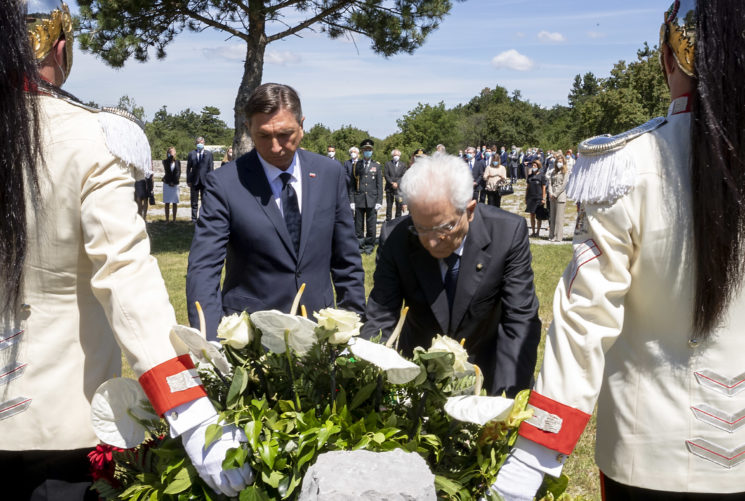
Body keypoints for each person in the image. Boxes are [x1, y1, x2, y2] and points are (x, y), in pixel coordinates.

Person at [492, 1, 745, 499]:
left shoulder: (625, 165)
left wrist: (539, 448)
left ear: (669, 58)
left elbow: (585, 316)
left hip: (651, 449)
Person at [0, 1, 252, 498]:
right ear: (61, 46)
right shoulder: (92, 136)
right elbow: (125, 279)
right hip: (56, 423)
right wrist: (189, 409)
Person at [186, 83, 366, 339]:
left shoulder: (329, 174)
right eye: (264, 136)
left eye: (285, 134)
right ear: (248, 129)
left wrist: (353, 331)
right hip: (253, 337)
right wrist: (211, 342)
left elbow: (347, 261)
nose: (275, 146)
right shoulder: (225, 184)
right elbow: (203, 269)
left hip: (320, 333)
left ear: (301, 125)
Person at [362, 154, 541, 397]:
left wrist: (504, 400)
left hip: (486, 373)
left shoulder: (507, 234)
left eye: (445, 228)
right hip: (418, 374)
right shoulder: (397, 237)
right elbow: (381, 316)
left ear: (469, 211)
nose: (433, 242)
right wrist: (370, 381)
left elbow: (519, 321)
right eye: (422, 229)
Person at [349, 138, 383, 254]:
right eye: (365, 150)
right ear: (362, 151)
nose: (368, 151)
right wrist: (352, 200)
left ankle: (369, 246)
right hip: (359, 199)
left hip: (372, 200)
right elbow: (352, 185)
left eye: (370, 150)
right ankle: (359, 247)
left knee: (371, 226)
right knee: (358, 226)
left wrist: (379, 201)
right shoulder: (356, 165)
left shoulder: (377, 166)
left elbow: (379, 185)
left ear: (372, 151)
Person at [186, 136, 213, 223]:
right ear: (196, 143)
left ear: (204, 143)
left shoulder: (208, 154)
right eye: (198, 142)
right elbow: (188, 168)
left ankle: (203, 218)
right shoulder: (191, 154)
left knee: (204, 201)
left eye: (201, 142)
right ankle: (194, 219)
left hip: (205, 181)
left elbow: (211, 168)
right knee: (194, 201)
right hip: (194, 181)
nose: (200, 144)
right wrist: (188, 180)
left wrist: (210, 181)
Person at [547, 151, 568, 242]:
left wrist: (556, 194)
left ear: (563, 162)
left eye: (561, 161)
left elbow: (564, 185)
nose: (559, 163)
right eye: (558, 161)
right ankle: (551, 235)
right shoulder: (553, 172)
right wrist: (551, 193)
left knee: (559, 218)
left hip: (560, 196)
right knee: (552, 216)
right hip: (552, 196)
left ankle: (558, 237)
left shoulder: (565, 172)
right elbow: (550, 183)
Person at [525, 160, 546, 237]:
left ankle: (538, 232)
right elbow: (527, 187)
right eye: (533, 165)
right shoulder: (530, 176)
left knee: (539, 216)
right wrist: (526, 198)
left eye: (535, 166)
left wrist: (543, 198)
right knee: (532, 215)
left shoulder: (542, 176)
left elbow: (543, 188)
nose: (534, 167)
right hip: (531, 198)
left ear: (538, 166)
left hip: (539, 198)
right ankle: (533, 232)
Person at [384, 148, 406, 221]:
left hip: (399, 189)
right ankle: (388, 220)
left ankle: (398, 220)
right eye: (394, 155)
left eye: (397, 155)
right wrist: (392, 183)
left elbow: (403, 176)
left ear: (400, 156)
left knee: (399, 205)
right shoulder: (387, 164)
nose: (396, 156)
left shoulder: (403, 165)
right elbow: (386, 175)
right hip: (389, 188)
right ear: (392, 156)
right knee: (389, 205)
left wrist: (397, 183)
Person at [162, 146, 181, 222]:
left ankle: (174, 219)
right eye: (169, 152)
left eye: (172, 152)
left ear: (175, 152)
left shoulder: (177, 162)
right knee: (167, 202)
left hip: (175, 183)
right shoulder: (165, 161)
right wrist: (170, 182)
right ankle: (167, 220)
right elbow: (167, 171)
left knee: (174, 202)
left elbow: (178, 172)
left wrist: (174, 181)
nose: (171, 153)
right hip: (167, 183)